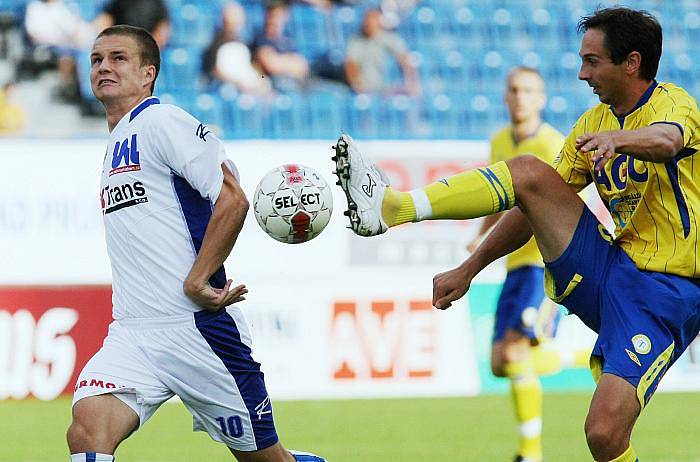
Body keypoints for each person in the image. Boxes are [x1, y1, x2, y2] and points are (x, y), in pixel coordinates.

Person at [333, 7, 700, 462]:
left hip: (668, 290)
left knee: (604, 434)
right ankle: (397, 207)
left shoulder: (675, 103)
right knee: (530, 174)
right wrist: (469, 269)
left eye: (592, 61)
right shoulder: (591, 124)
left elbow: (667, 141)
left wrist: (619, 141)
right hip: (611, 267)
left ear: (631, 62)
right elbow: (534, 204)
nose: (582, 73)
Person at [66, 25, 325, 462]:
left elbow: (233, 198)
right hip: (133, 331)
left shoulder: (163, 121)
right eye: (96, 59)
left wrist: (199, 278)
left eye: (117, 58)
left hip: (197, 330)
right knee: (87, 432)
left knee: (267, 460)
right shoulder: (116, 142)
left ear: (148, 73)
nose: (103, 67)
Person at [467, 66, 588, 462]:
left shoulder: (553, 143)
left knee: (517, 353)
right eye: (514, 90)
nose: (520, 97)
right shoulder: (500, 141)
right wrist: (481, 235)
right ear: (506, 96)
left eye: (529, 90)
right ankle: (585, 355)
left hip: (543, 263)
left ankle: (530, 454)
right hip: (513, 265)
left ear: (542, 99)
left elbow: (574, 200)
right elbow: (499, 195)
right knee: (502, 363)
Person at [202, 1, 272, 96]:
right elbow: (215, 70)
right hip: (229, 88)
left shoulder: (245, 41)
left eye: (239, 15)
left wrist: (260, 78)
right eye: (233, 15)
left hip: (249, 87)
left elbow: (252, 65)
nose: (236, 19)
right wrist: (238, 82)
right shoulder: (216, 42)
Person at [344, 9, 420, 96]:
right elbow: (350, 64)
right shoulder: (356, 41)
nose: (369, 23)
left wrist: (411, 85)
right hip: (365, 89)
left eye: (373, 20)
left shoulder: (390, 39)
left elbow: (405, 59)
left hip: (387, 90)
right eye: (367, 20)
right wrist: (357, 85)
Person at [251, 2, 310, 92]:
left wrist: (280, 61)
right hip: (270, 85)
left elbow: (303, 66)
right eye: (272, 15)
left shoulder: (288, 40)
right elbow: (271, 65)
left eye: (279, 16)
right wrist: (289, 61)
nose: (274, 20)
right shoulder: (261, 38)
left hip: (296, 84)